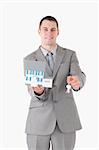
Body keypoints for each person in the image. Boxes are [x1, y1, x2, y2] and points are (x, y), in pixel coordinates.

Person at [24, 16, 86, 150]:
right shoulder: (30, 59)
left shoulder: (70, 55)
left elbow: (79, 75)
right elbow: (31, 89)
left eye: (53, 30)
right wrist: (38, 91)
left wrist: (77, 82)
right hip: (38, 121)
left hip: (65, 119)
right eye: (45, 29)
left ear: (58, 32)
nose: (49, 33)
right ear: (39, 31)